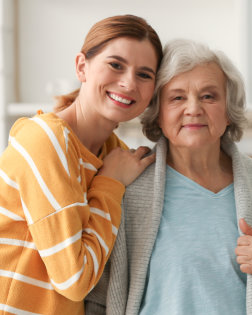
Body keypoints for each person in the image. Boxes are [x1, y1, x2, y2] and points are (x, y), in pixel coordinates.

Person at [85, 39, 252, 314]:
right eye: (177, 97)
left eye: (209, 96)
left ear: (229, 112)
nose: (193, 109)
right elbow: (97, 300)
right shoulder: (127, 187)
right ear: (158, 113)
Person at [0, 15, 163, 314]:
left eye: (144, 74)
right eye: (116, 65)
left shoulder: (117, 155)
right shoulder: (45, 141)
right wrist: (110, 182)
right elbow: (74, 279)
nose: (128, 83)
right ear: (81, 66)